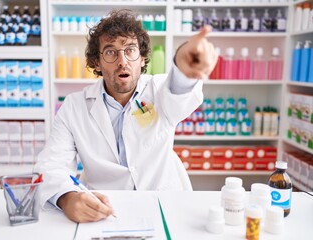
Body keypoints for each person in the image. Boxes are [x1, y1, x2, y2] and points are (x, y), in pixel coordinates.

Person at [34, 9, 217, 223]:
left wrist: (184, 71)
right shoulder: (74, 107)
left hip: (164, 204)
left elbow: (178, 93)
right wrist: (66, 198)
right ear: (96, 63)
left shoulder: (159, 90)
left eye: (130, 50)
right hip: (104, 209)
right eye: (111, 52)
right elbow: (50, 165)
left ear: (142, 59)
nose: (123, 61)